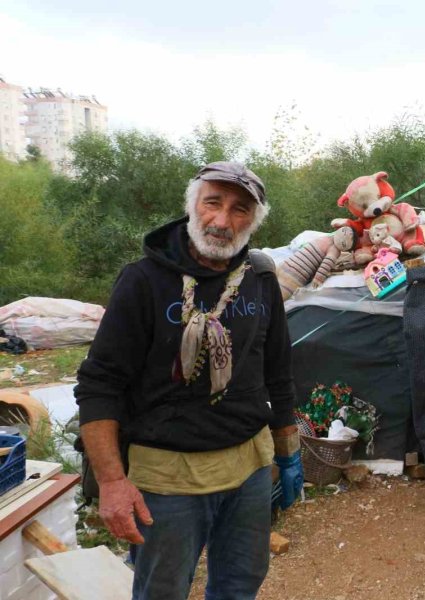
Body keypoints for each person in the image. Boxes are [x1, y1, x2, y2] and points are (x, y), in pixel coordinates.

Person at [75, 162, 303, 600]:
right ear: (191, 206)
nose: (222, 221)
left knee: (240, 585)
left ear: (253, 220)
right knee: (162, 591)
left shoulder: (259, 279)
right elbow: (99, 385)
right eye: (212, 203)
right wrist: (111, 482)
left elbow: (277, 369)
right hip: (167, 480)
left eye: (239, 210)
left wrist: (288, 448)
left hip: (250, 469)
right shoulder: (143, 282)